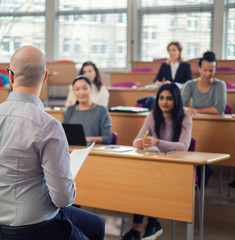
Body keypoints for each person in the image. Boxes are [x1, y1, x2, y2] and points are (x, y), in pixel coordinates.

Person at [0, 46, 105, 240]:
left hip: (0, 225)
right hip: (39, 229)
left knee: (96, 224)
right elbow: (63, 198)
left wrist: (5, 182)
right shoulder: (49, 125)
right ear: (45, 76)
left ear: (11, 76)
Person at [122, 83, 192, 240]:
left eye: (169, 98)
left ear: (176, 101)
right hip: (153, 166)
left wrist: (157, 142)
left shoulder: (185, 118)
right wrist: (139, 143)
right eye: (161, 98)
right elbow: (136, 140)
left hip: (176, 167)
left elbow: (184, 147)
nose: (164, 102)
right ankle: (150, 224)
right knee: (142, 181)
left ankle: (138, 228)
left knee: (145, 181)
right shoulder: (152, 115)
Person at [63, 75, 112, 144]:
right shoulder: (69, 110)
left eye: (85, 88)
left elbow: (107, 138)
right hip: (72, 150)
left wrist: (87, 139)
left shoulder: (101, 110)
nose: (81, 92)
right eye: (77, 89)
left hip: (93, 151)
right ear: (73, 92)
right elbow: (63, 134)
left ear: (91, 89)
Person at [182, 51, 226, 115]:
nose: (208, 74)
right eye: (205, 70)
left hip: (216, 121)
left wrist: (196, 110)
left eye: (211, 71)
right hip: (197, 121)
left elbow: (219, 109)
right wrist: (186, 110)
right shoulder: (189, 85)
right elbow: (182, 106)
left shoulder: (220, 85)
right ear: (199, 69)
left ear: (215, 70)